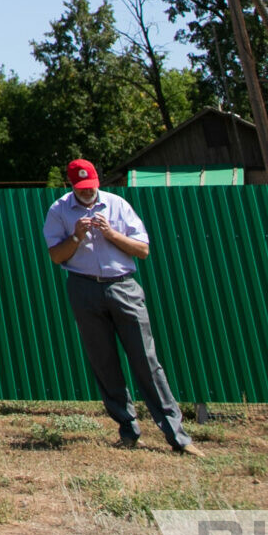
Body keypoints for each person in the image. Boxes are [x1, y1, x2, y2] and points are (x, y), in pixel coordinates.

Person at [43, 159, 191, 454]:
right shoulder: (59, 210)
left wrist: (111, 234)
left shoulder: (118, 205)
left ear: (98, 181)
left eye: (92, 187)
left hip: (123, 286)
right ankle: (127, 428)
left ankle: (177, 436)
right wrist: (76, 236)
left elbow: (143, 250)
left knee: (146, 361)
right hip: (83, 287)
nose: (88, 193)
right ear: (71, 186)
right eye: (81, 188)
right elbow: (56, 257)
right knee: (104, 361)